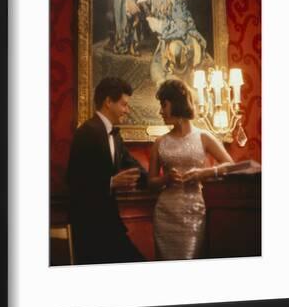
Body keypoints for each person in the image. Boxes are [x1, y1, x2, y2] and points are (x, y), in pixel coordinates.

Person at [149, 79, 233, 260]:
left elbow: (230, 165)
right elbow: (151, 181)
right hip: (165, 214)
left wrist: (204, 173)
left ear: (176, 104)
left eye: (164, 105)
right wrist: (166, 179)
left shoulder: (203, 137)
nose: (161, 111)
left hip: (193, 212)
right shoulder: (159, 143)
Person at [67, 77, 147, 265]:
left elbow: (136, 169)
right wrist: (111, 182)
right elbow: (73, 180)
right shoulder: (86, 132)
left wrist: (165, 180)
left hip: (110, 224)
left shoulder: (116, 137)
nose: (127, 111)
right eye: (124, 105)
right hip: (88, 225)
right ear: (108, 102)